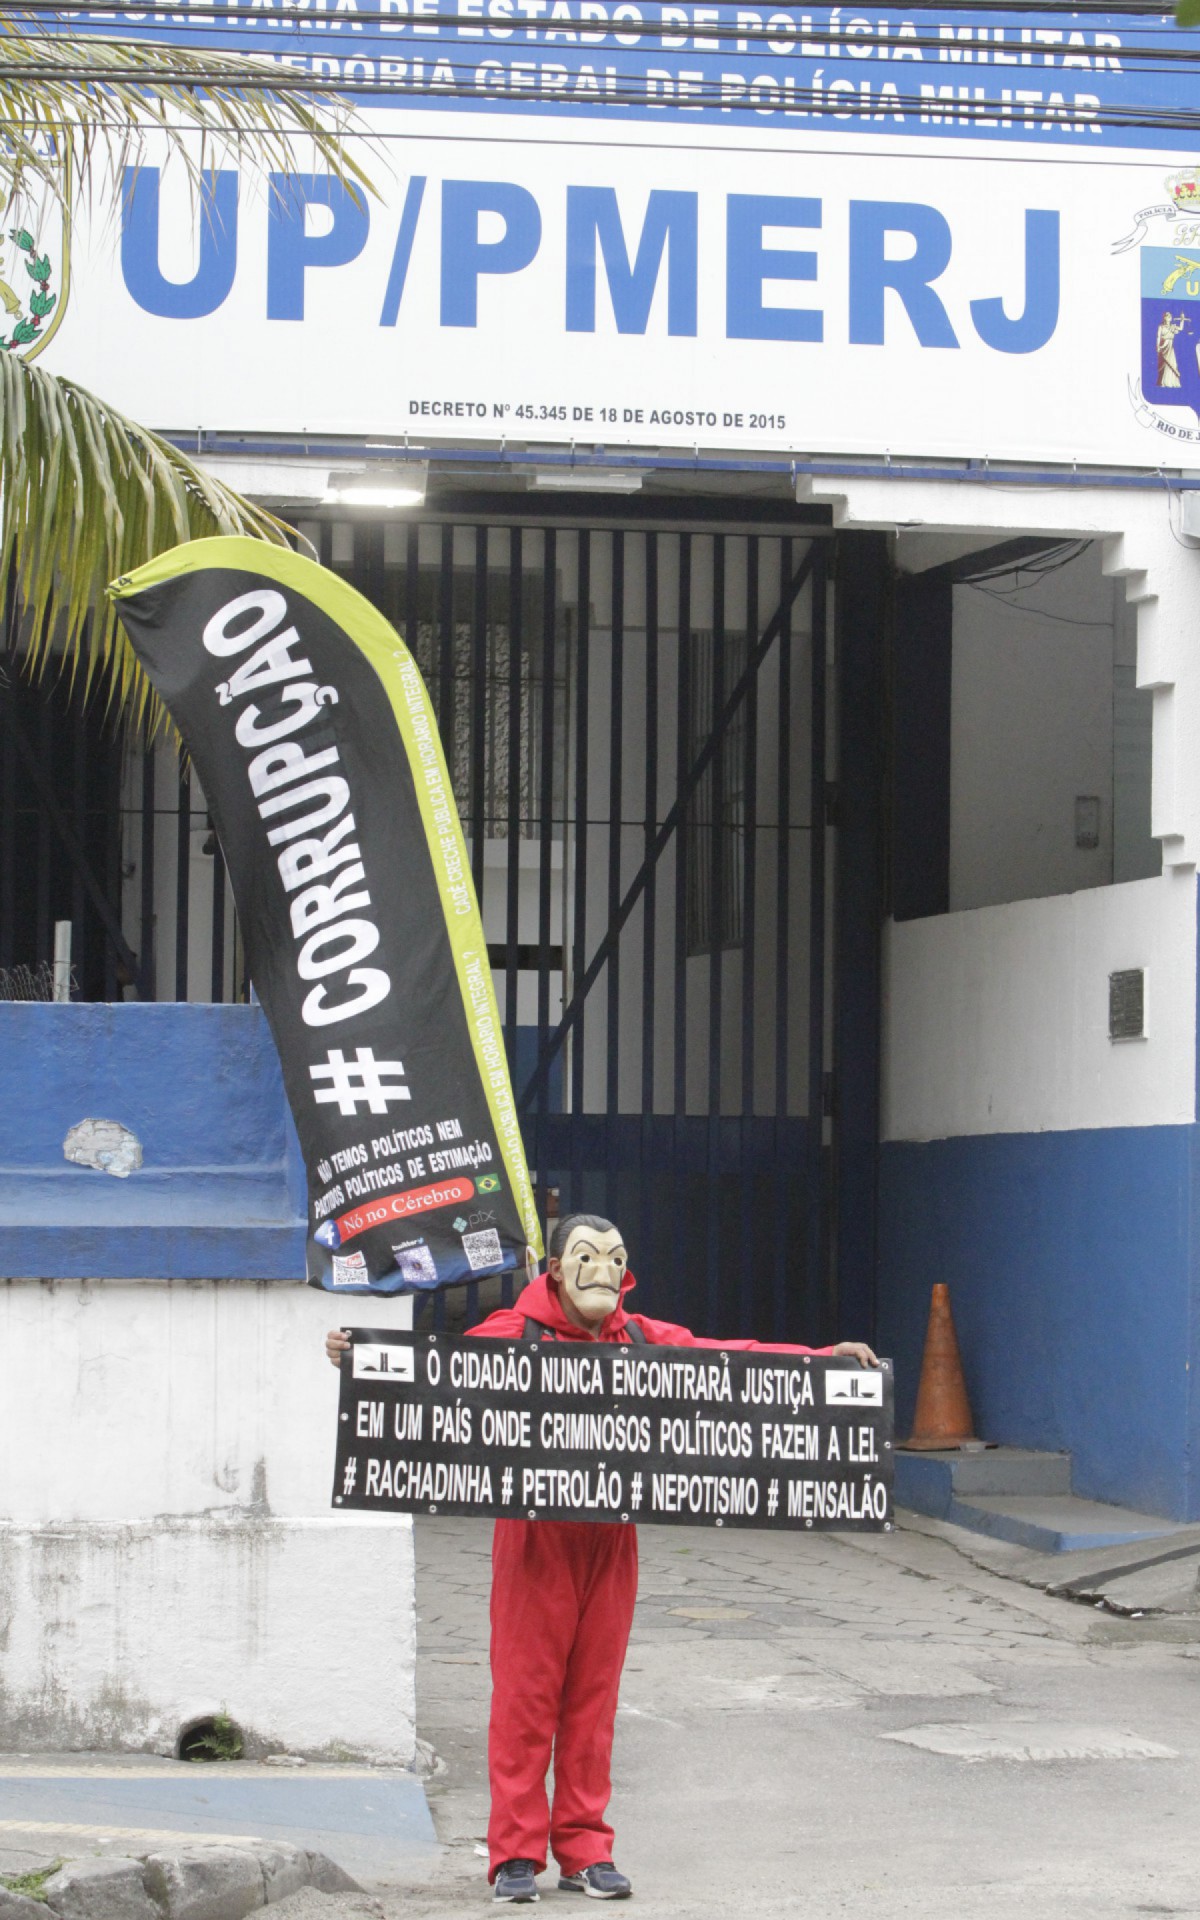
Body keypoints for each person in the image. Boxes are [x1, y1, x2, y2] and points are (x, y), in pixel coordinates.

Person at [327, 1212, 878, 1904]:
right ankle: (515, 1855)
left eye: (616, 1259)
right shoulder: (509, 1337)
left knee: (593, 1699)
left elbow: (731, 1360)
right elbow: (432, 1375)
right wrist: (361, 1356)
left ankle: (586, 1849)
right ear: (555, 1268)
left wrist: (820, 1361)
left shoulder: (645, 1340)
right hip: (535, 1541)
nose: (604, 1271)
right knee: (527, 1698)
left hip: (611, 1539)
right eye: (588, 1257)